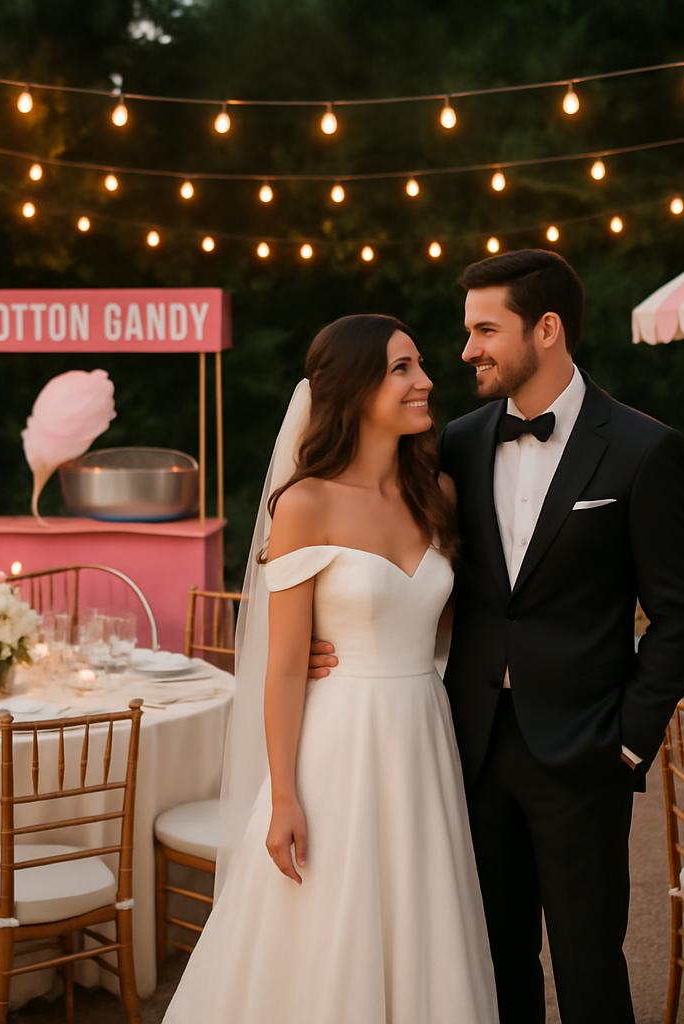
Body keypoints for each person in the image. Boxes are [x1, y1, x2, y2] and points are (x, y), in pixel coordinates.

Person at [310, 250, 684, 1023]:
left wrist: (627, 742)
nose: (467, 351)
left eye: (485, 329)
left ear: (547, 329)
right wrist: (331, 640)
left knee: (591, 965)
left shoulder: (643, 450)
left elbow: (679, 615)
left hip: (585, 753)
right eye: (466, 331)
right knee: (491, 963)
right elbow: (374, 537)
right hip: (469, 750)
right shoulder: (452, 441)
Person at [164, 314, 498, 1023]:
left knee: (421, 917)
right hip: (339, 746)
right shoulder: (305, 504)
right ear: (354, 389)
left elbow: (439, 622)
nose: (426, 380)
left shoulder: (437, 495)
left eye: (419, 365)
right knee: (332, 922)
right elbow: (283, 668)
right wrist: (283, 796)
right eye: (402, 368)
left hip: (422, 736)